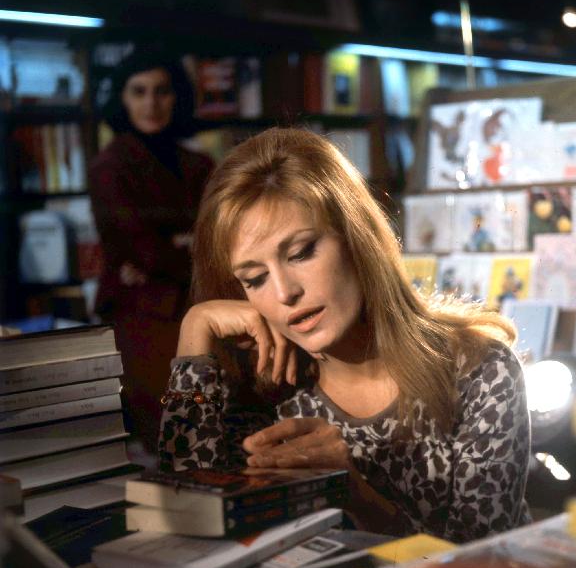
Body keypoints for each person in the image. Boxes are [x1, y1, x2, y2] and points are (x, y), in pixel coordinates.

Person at [158, 128, 531, 542]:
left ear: (356, 238)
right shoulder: (263, 388)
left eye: (300, 253)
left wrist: (353, 491)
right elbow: (186, 526)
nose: (285, 293)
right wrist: (194, 330)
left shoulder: (480, 373)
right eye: (255, 278)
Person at [88, 47, 214, 448]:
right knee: (170, 432)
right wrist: (186, 246)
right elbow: (143, 248)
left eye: (161, 91)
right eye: (138, 91)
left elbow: (220, 238)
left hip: (194, 303)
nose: (151, 103)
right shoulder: (110, 165)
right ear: (122, 99)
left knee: (210, 424)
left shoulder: (200, 164)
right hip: (141, 313)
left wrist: (179, 247)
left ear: (176, 96)